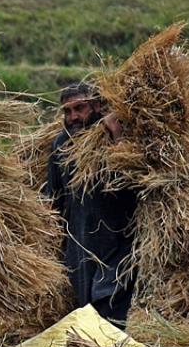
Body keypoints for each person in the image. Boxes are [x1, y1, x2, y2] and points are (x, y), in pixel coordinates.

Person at [43, 81, 138, 327]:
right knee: (85, 308)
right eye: (67, 111)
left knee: (110, 303)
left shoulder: (116, 138)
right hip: (79, 243)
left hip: (117, 239)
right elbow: (54, 197)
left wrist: (117, 135)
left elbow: (133, 180)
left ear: (97, 106)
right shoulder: (61, 145)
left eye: (80, 108)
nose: (73, 117)